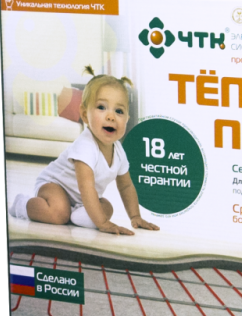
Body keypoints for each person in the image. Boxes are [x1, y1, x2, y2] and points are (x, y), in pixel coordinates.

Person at [9, 67, 160, 236]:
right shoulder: (85, 146)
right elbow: (86, 186)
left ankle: (76, 214)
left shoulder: (119, 151)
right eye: (101, 107)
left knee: (107, 207)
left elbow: (126, 186)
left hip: (82, 199)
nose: (111, 116)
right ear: (85, 115)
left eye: (119, 111)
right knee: (59, 213)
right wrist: (103, 223)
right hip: (55, 185)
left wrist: (135, 216)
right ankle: (21, 205)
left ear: (126, 119)